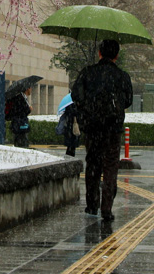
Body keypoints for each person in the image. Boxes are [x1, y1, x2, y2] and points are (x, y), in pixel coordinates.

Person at [71, 39, 133, 222]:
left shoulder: (88, 73)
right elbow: (128, 100)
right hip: (113, 129)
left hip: (92, 128)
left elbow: (76, 95)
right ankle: (107, 208)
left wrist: (89, 106)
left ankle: (92, 205)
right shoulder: (122, 76)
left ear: (99, 53)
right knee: (111, 167)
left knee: (93, 164)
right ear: (117, 55)